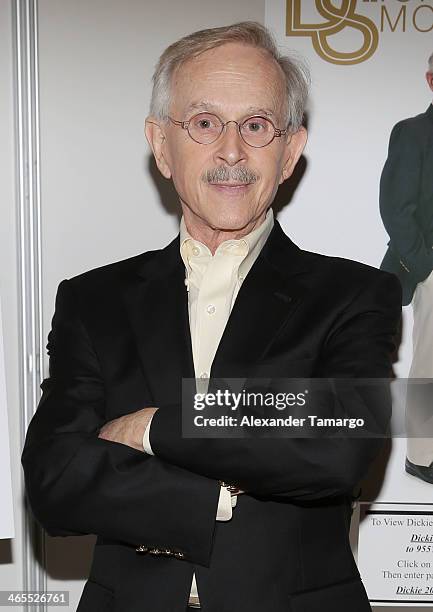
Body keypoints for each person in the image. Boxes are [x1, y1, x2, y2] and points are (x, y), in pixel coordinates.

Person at [22, 22, 401, 612]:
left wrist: (152, 429)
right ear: (160, 145)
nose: (231, 151)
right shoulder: (94, 300)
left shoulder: (355, 294)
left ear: (289, 152)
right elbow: (55, 479)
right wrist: (214, 493)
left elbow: (339, 443)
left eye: (256, 125)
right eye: (204, 123)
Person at [379, 52, 433, 485]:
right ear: (431, 79)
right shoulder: (413, 133)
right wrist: (426, 265)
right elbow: (397, 208)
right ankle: (423, 457)